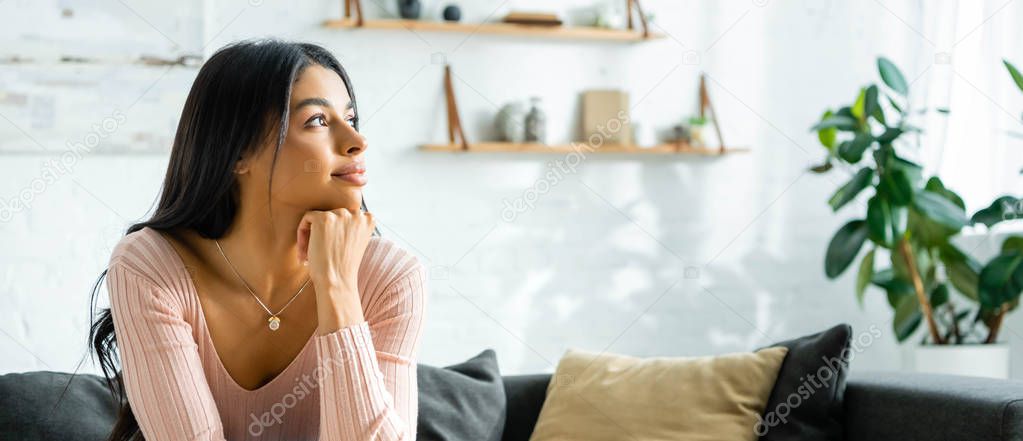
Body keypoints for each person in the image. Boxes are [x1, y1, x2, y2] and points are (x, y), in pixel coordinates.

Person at [87, 39, 427, 441]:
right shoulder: (151, 267)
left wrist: (337, 289)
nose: (356, 141)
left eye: (350, 117)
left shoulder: (392, 278)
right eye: (317, 120)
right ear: (237, 153)